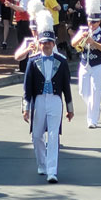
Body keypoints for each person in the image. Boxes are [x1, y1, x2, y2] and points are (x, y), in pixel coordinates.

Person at [22, 10, 74, 183]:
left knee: (53, 135)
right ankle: (42, 163)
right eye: (44, 42)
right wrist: (26, 107)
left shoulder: (62, 60)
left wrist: (70, 108)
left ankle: (52, 170)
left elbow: (67, 86)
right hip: (39, 100)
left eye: (49, 42)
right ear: (40, 43)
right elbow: (27, 87)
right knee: (37, 136)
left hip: (55, 100)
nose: (46, 45)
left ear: (53, 43)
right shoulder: (33, 60)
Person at [71, 0, 101, 128]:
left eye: (94, 22)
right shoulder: (83, 30)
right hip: (84, 64)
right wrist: (82, 37)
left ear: (99, 21)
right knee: (83, 92)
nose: (91, 24)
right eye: (90, 21)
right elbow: (73, 44)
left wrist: (93, 42)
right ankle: (95, 108)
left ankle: (92, 120)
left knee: (95, 93)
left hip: (98, 65)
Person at [4, 0, 38, 72]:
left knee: (23, 43)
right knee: (30, 42)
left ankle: (23, 66)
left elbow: (22, 9)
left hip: (23, 22)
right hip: (31, 22)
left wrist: (11, 5)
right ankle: (30, 64)